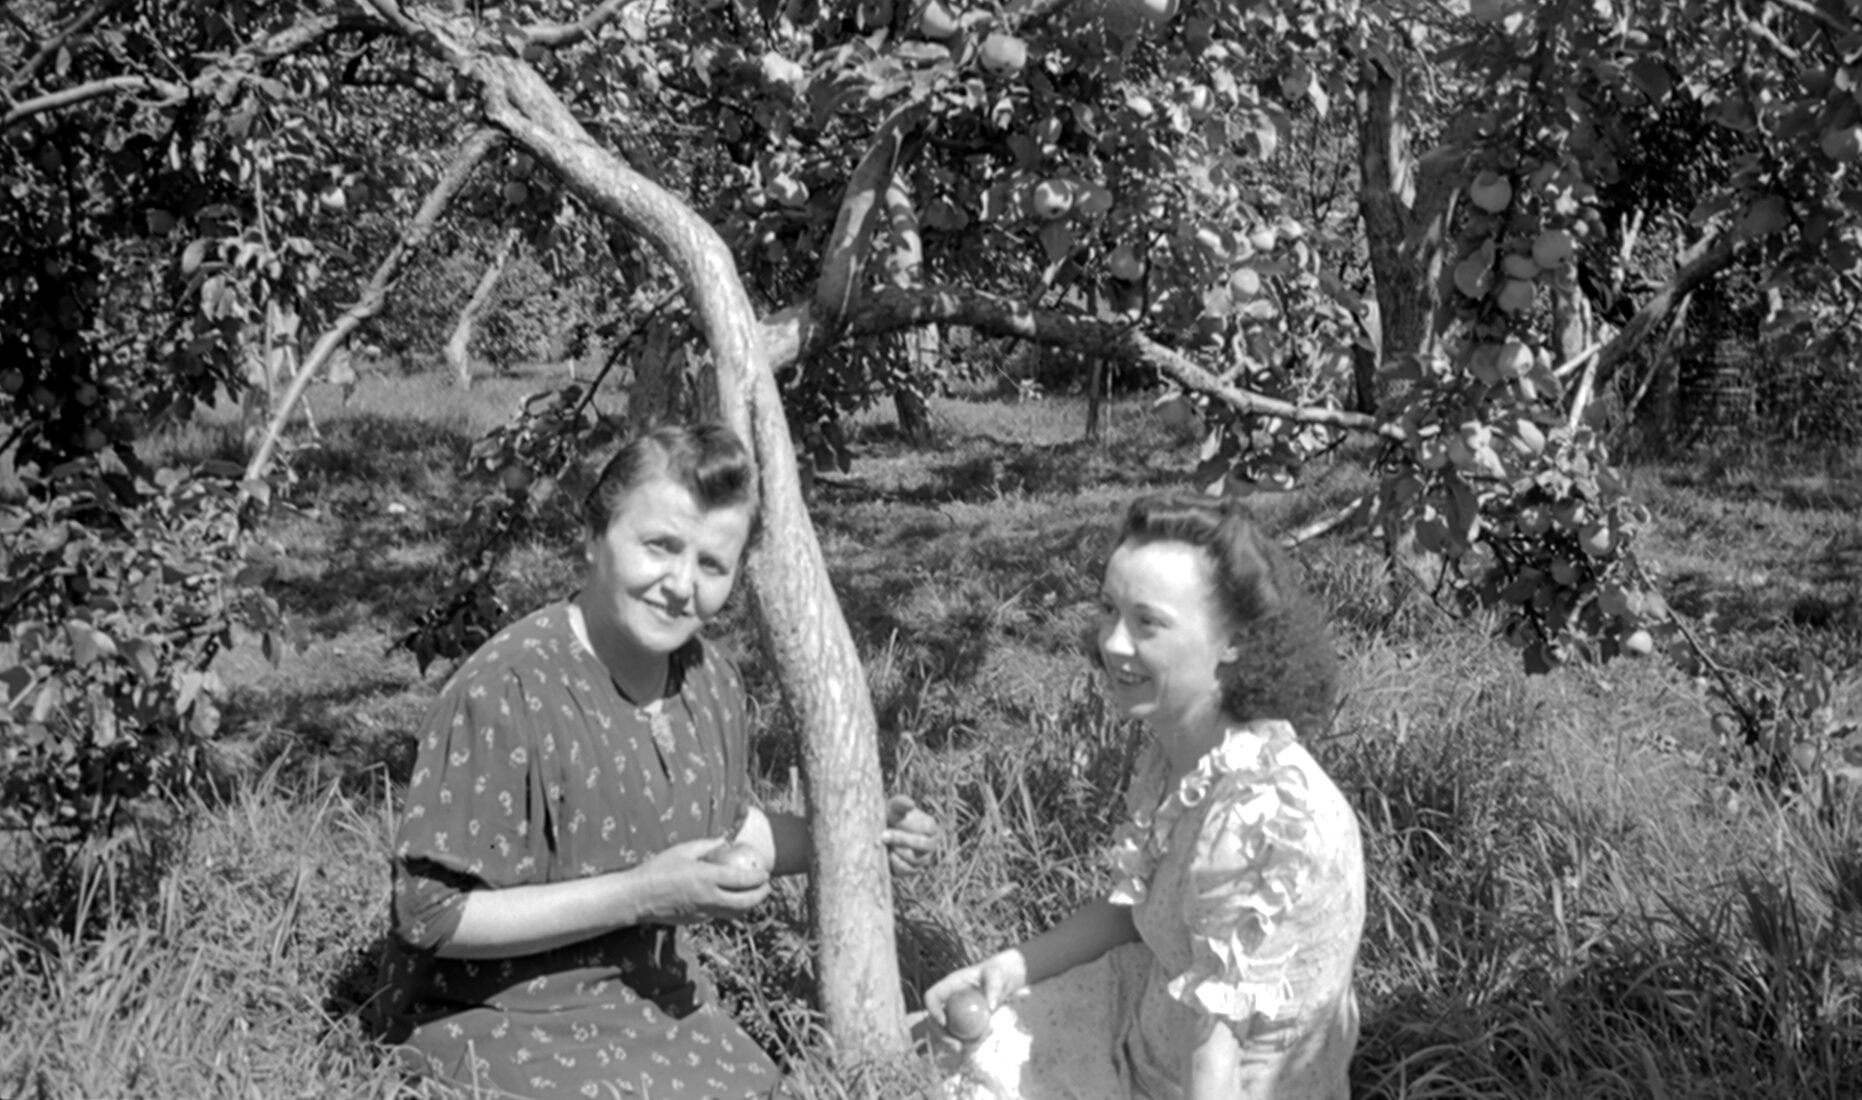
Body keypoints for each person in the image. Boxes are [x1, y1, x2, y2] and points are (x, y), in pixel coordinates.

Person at [380, 422, 939, 1099]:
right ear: (593, 538)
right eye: (660, 547)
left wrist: (864, 838)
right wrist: (641, 895)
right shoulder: (507, 689)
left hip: (651, 1001)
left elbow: (727, 829)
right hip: (497, 1015)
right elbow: (432, 916)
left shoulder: (708, 681)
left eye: (712, 565)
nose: (680, 585)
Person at [923, 491, 1364, 1100]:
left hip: (1203, 1082)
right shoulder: (1184, 751)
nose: (1113, 643)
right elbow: (1140, 914)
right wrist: (1008, 967)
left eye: (1147, 622)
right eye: (1109, 610)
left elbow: (1215, 1062)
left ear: (1234, 640)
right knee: (921, 1050)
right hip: (1148, 1013)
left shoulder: (1252, 821)